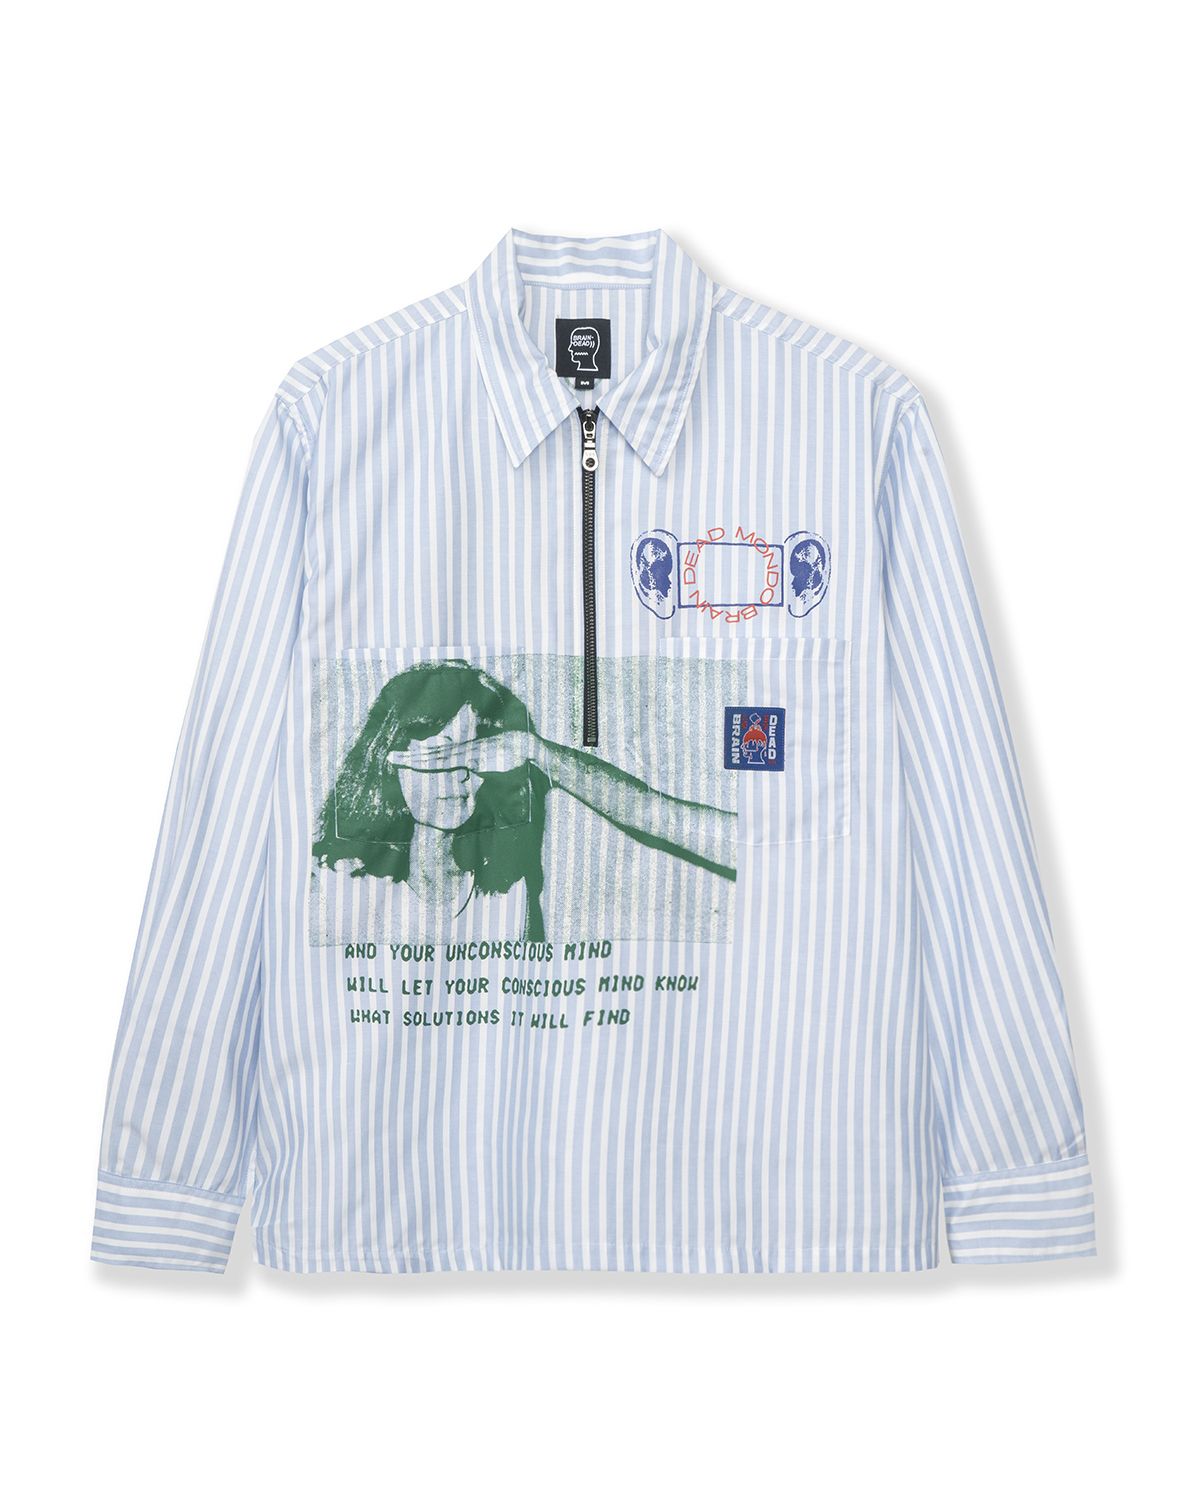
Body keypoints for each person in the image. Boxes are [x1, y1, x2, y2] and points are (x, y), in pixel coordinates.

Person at [313, 659, 735, 941]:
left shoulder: (507, 883)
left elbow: (649, 813)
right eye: (441, 752)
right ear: (390, 760)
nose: (460, 771)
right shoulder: (335, 883)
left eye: (476, 754)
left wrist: (532, 750)